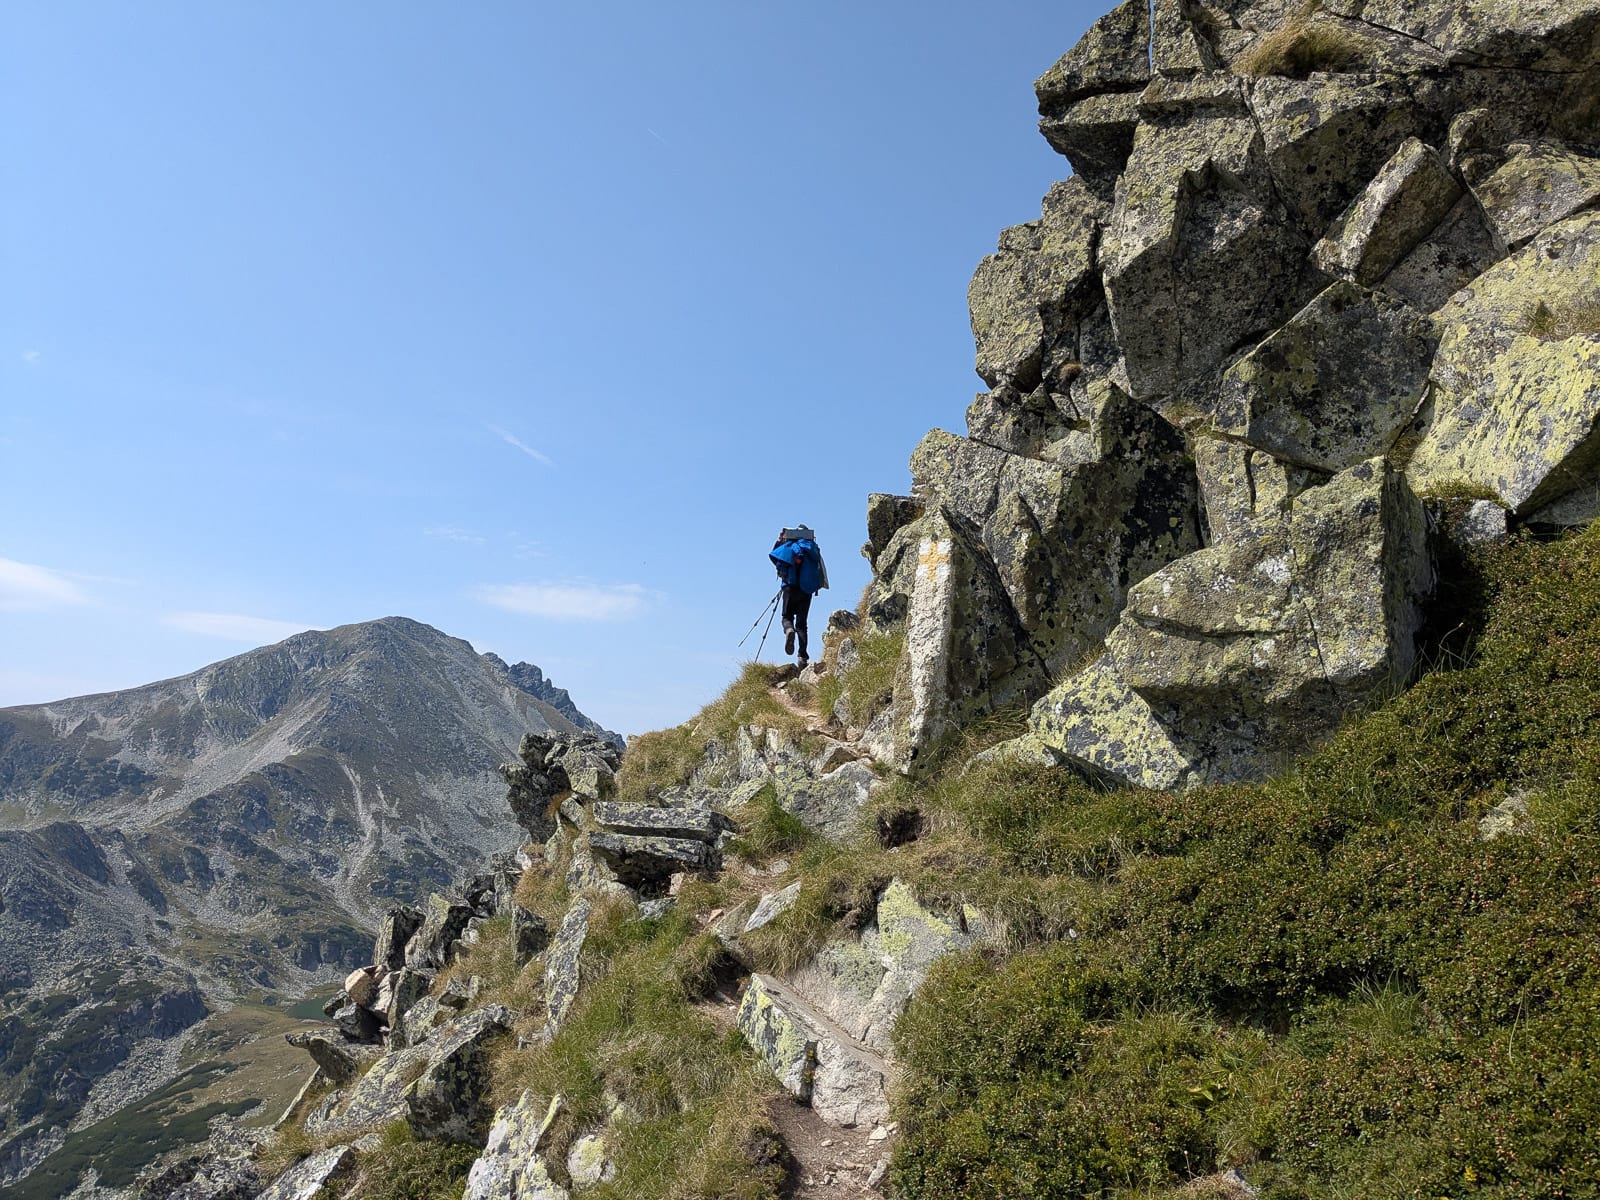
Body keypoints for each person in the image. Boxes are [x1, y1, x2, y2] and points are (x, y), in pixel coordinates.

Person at [769, 525, 828, 667]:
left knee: (786, 617)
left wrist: (780, 540)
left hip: (790, 587)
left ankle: (789, 630)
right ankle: (802, 657)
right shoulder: (812, 549)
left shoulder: (789, 546)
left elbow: (776, 557)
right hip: (806, 590)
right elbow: (820, 570)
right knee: (802, 625)